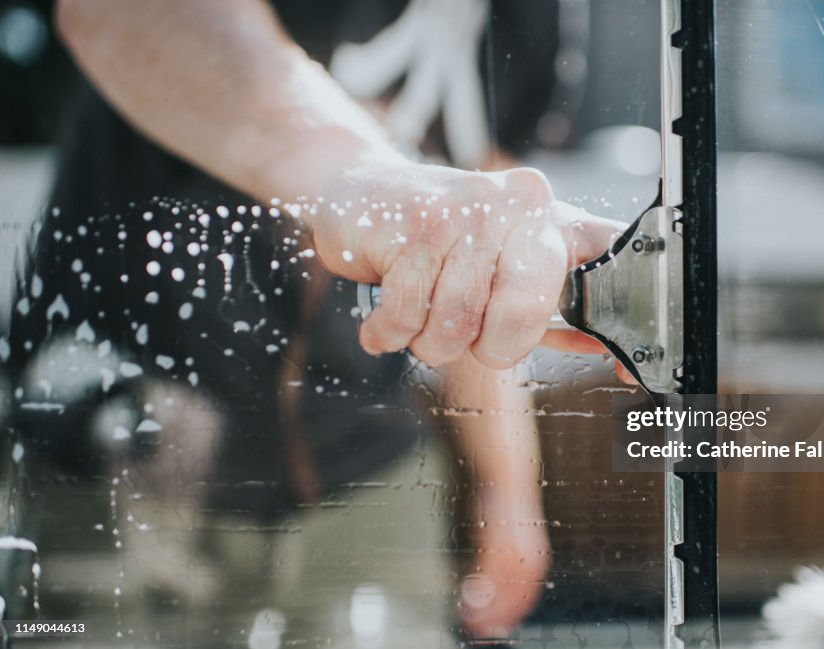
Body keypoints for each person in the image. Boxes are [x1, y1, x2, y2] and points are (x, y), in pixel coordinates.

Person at [5, 0, 623, 640]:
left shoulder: (531, 15)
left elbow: (477, 235)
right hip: (127, 450)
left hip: (364, 467)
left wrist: (509, 493)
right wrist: (359, 173)